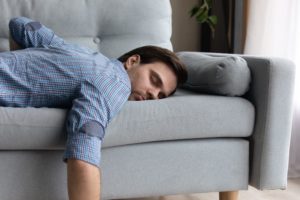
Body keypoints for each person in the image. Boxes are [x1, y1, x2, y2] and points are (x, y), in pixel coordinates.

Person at [1, 17, 187, 200]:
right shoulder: (116, 82)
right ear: (132, 61)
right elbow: (84, 146)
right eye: (154, 80)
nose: (153, 95)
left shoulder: (78, 52)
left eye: (161, 95)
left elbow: (20, 24)